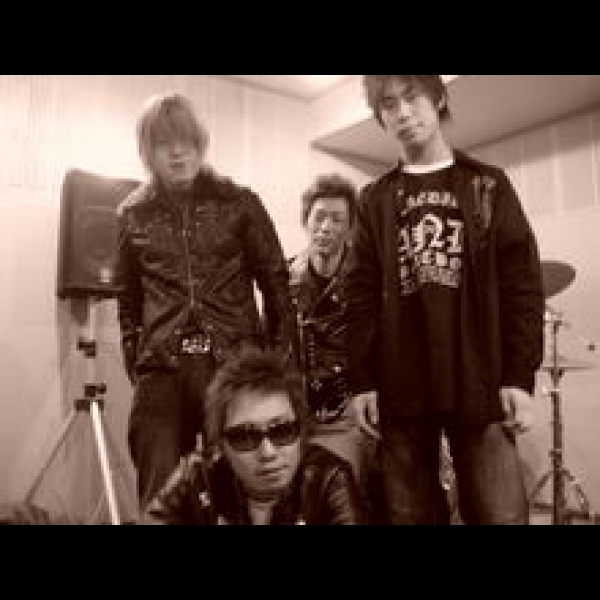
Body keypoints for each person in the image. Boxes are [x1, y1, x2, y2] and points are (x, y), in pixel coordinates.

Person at [346, 75, 545, 525]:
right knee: (409, 516)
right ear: (380, 117)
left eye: (412, 96)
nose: (403, 112)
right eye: (389, 104)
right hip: (400, 385)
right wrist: (362, 381)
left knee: (501, 515)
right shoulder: (373, 200)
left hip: (481, 381)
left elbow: (522, 286)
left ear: (438, 98)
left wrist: (519, 376)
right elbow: (360, 296)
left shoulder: (488, 185)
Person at [115, 93, 296, 511]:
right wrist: (138, 361)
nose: (178, 152)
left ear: (200, 143)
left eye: (186, 140)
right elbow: (128, 301)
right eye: (165, 143)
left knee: (242, 485)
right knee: (161, 493)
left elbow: (277, 287)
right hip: (161, 371)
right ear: (148, 151)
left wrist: (274, 369)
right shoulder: (131, 214)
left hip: (234, 363)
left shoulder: (240, 202)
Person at [142, 346, 364, 525]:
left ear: (301, 432)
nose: (268, 452)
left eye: (282, 431)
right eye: (245, 437)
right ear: (221, 445)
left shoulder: (327, 479)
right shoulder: (197, 478)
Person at [288, 174, 378, 493]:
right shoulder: (285, 277)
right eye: (319, 217)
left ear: (350, 227)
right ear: (306, 220)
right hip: (297, 413)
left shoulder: (367, 279)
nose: (325, 227)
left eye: (337, 219)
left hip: (348, 413)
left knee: (339, 491)